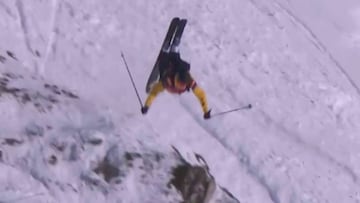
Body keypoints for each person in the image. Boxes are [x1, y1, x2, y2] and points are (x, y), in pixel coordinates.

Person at [141, 51, 211, 119]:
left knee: (179, 64)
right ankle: (169, 54)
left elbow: (201, 95)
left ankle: (172, 53)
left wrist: (206, 111)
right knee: (166, 65)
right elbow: (154, 92)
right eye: (181, 84)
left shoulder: (189, 82)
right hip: (168, 71)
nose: (182, 86)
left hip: (176, 71)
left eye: (183, 84)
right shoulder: (168, 81)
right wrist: (147, 106)